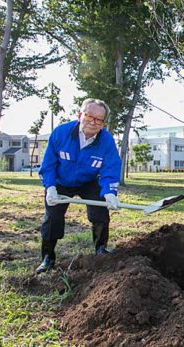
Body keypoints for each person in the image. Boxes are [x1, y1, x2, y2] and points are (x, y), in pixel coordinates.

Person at [36, 98, 122, 273]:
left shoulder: (106, 141)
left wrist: (110, 193)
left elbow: (110, 168)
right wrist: (50, 187)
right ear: (80, 115)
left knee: (100, 212)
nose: (93, 122)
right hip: (61, 181)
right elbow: (48, 165)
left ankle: (100, 249)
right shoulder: (61, 133)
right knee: (53, 217)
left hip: (88, 181)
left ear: (104, 124)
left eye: (99, 120)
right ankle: (47, 257)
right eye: (89, 116)